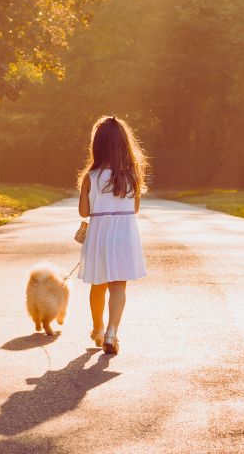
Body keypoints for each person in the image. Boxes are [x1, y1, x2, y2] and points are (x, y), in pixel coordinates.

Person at [77, 115, 147, 355]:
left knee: (98, 284)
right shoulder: (132, 175)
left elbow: (83, 212)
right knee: (119, 287)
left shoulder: (91, 177)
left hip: (100, 235)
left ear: (97, 145)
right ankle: (112, 332)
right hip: (125, 234)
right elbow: (135, 208)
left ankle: (97, 329)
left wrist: (87, 192)